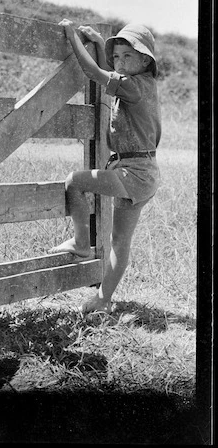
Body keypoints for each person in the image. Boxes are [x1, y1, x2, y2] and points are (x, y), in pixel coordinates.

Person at [48, 20, 161, 314]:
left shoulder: (134, 86)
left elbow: (95, 74)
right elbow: (107, 75)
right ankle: (102, 299)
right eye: (117, 57)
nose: (121, 63)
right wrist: (99, 44)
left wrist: (73, 37)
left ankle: (81, 242)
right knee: (119, 241)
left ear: (145, 60)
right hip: (144, 171)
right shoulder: (140, 84)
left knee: (75, 181)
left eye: (128, 57)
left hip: (133, 171)